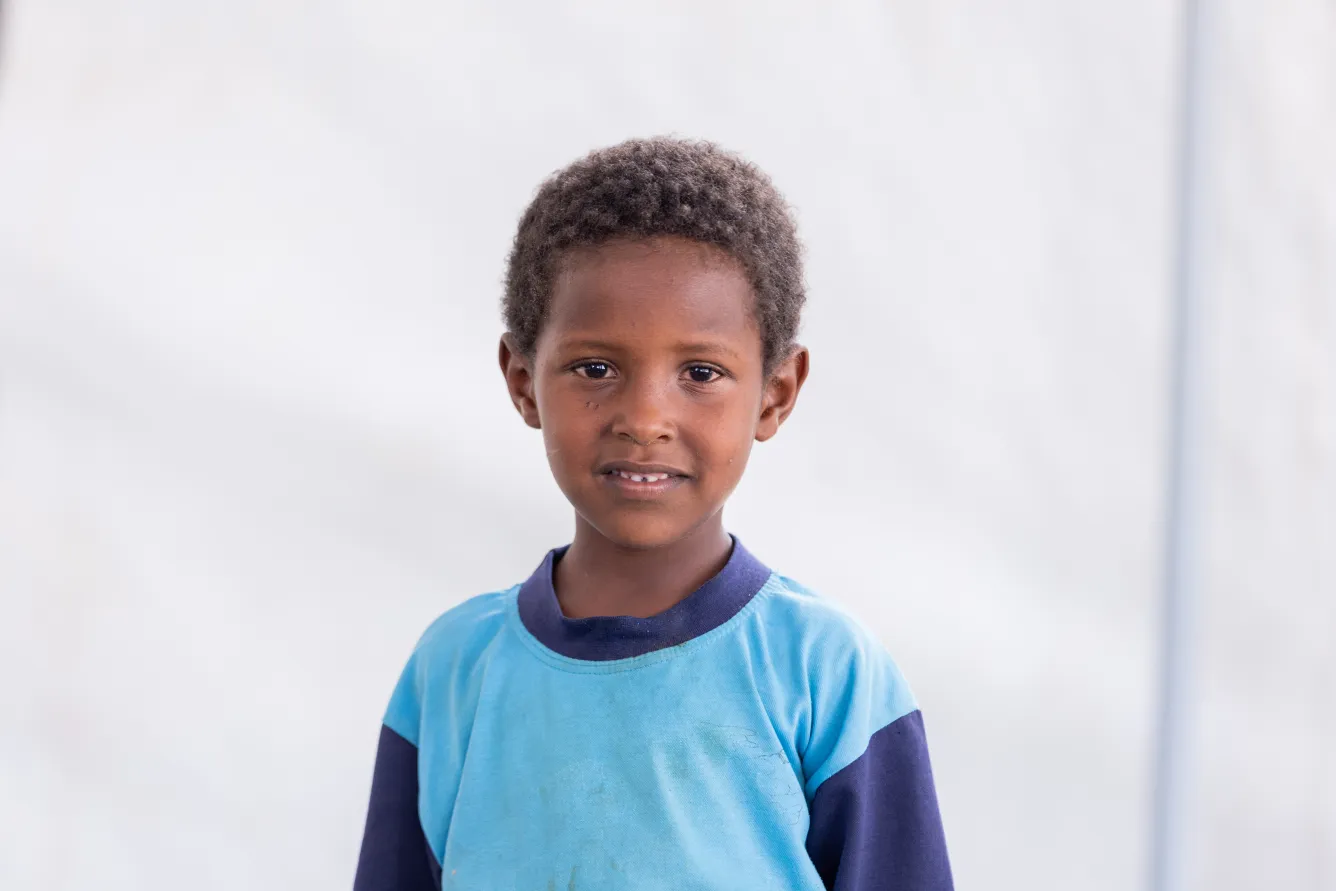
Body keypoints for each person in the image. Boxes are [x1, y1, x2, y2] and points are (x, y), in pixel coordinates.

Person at [353, 137, 953, 891]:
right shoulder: (451, 674)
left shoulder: (826, 674)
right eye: (595, 368)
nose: (643, 417)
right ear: (523, 380)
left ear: (775, 392)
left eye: (701, 373)